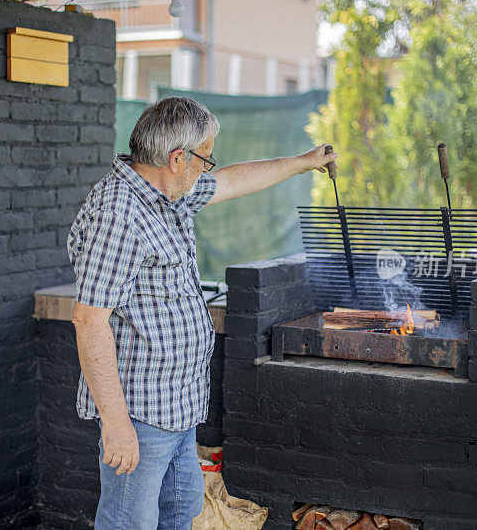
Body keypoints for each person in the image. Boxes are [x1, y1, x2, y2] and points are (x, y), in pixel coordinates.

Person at [66, 97, 339, 529]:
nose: (209, 167)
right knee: (127, 523)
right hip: (140, 415)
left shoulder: (171, 195)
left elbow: (233, 181)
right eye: (205, 158)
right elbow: (88, 319)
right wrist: (117, 427)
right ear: (178, 158)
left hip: (177, 408)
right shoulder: (120, 213)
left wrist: (302, 163)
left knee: (181, 514)